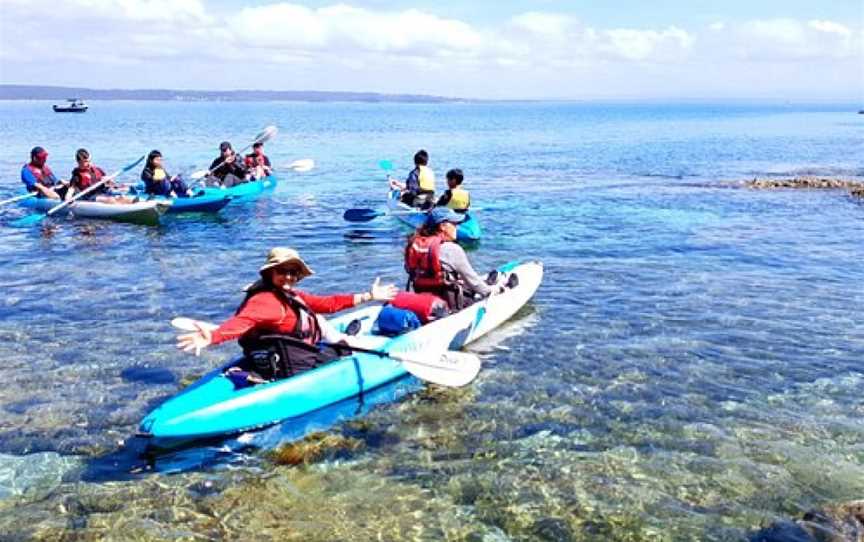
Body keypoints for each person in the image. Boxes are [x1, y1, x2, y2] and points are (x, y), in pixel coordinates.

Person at [177, 247, 398, 384]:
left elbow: (327, 303)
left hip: (283, 353)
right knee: (342, 347)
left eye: (293, 272)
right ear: (270, 273)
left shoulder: (288, 295)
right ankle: (349, 341)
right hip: (295, 364)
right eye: (282, 271)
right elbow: (242, 323)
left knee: (319, 318)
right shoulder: (266, 301)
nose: (289, 277)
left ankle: (348, 336)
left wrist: (369, 295)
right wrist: (213, 337)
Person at [404, 207, 500, 309]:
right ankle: (490, 283)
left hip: (424, 301)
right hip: (451, 302)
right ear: (443, 226)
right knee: (476, 286)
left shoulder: (414, 246)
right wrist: (492, 291)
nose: (457, 227)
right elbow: (474, 283)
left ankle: (487, 281)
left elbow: (409, 270)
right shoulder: (451, 249)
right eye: (454, 224)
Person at [65, 148, 134, 203]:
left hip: (103, 191)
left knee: (122, 197)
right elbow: (71, 189)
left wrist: (111, 182)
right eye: (86, 162)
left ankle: (137, 206)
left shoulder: (96, 169)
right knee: (111, 200)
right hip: (90, 196)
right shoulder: (77, 175)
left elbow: (108, 181)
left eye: (89, 161)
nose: (89, 163)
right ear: (79, 162)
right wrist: (68, 198)